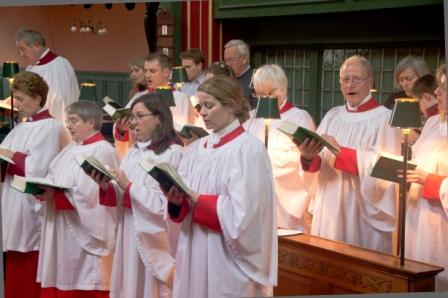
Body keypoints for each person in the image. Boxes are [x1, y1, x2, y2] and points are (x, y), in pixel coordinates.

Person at [164, 76, 277, 298]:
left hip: (226, 259)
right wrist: (176, 203)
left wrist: (198, 199)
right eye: (200, 106)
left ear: (231, 106)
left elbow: (246, 218)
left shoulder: (249, 150)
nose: (202, 112)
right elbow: (183, 209)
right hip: (193, 251)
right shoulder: (195, 150)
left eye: (209, 105)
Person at [297, 55, 401, 253]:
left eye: (356, 79)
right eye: (345, 79)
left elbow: (387, 169)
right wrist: (308, 156)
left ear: (370, 81)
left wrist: (340, 152)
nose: (350, 84)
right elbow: (320, 162)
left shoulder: (385, 118)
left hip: (361, 208)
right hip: (330, 202)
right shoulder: (332, 115)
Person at [94, 93, 183, 298]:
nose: (133, 123)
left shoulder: (173, 153)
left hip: (152, 236)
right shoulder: (135, 152)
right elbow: (123, 192)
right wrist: (106, 186)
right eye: (132, 117)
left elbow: (168, 204)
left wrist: (130, 187)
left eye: (139, 116)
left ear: (159, 118)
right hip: (129, 229)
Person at [35, 101, 120, 298]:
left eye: (74, 120)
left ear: (91, 122)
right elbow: (53, 174)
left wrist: (58, 195)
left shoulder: (103, 150)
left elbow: (94, 194)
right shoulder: (70, 149)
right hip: (62, 226)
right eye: (67, 121)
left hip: (84, 231)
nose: (69, 126)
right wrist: (44, 188)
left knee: (85, 279)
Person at [0, 71, 64, 298]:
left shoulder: (51, 127)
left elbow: (37, 168)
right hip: (11, 200)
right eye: (15, 98)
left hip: (29, 205)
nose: (16, 104)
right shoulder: (21, 127)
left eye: (21, 99)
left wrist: (10, 155)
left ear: (37, 98)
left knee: (28, 262)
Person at [244, 64, 316, 232]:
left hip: (287, 200)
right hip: (255, 196)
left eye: (269, 93)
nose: (264, 99)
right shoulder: (252, 117)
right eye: (259, 94)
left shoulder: (299, 118)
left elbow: (307, 159)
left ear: (282, 90)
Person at [405, 63, 448, 291]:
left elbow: (429, 175)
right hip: (418, 220)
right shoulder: (434, 122)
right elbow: (417, 161)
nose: (437, 93)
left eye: (443, 87)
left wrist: (430, 181)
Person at [113, 53, 195, 158]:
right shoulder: (139, 97)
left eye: (152, 71)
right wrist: (121, 129)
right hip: (139, 153)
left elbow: (183, 132)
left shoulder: (180, 99)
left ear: (166, 72)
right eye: (146, 71)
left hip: (166, 154)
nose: (147, 75)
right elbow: (122, 129)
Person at [15, 28, 80, 122]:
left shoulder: (59, 65)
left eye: (23, 49)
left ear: (36, 46)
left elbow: (62, 100)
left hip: (52, 123)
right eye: (19, 50)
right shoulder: (30, 68)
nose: (21, 54)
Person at [224, 39, 257, 109]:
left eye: (231, 60)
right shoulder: (225, 78)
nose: (228, 64)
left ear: (244, 59)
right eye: (226, 61)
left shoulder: (258, 78)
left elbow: (260, 109)